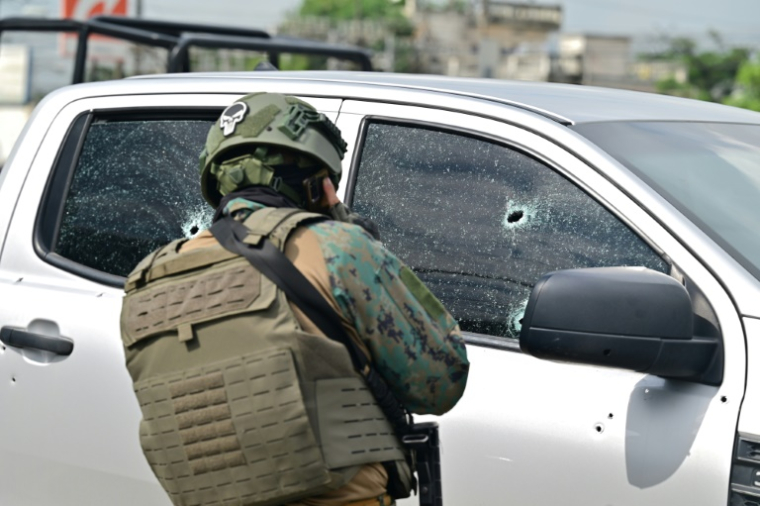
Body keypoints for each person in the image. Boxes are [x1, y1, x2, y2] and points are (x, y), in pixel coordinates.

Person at [120, 93, 469, 506]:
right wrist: (360, 240)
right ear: (317, 183)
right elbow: (439, 383)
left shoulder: (147, 281)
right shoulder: (338, 248)